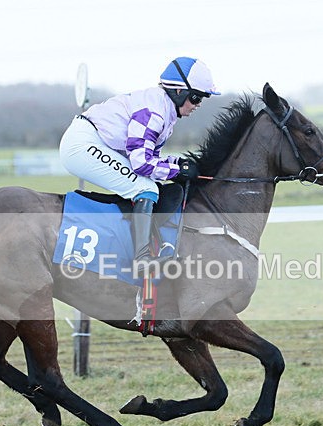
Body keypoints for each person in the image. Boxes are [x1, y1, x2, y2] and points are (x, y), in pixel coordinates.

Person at [59, 56, 219, 271]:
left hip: (91, 141)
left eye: (202, 99)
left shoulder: (164, 109)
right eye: (196, 97)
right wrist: (176, 171)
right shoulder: (155, 112)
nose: (198, 105)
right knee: (145, 188)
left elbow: (149, 158)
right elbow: (142, 164)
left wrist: (177, 163)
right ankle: (141, 259)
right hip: (82, 145)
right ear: (178, 91)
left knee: (148, 185)